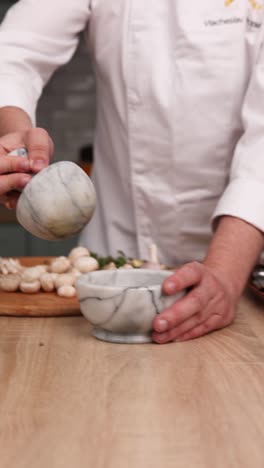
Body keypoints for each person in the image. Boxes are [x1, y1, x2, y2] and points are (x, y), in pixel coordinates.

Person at [0, 0, 263, 344]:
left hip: (243, 274)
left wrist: (225, 275)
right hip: (114, 268)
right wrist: (15, 135)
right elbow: (16, 50)